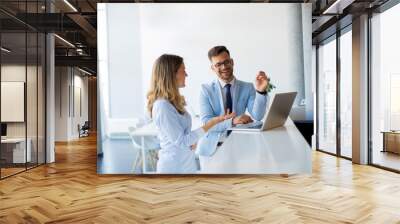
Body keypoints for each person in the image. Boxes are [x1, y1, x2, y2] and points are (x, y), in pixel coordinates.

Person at [147, 54, 235, 174]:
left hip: (186, 165)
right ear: (172, 75)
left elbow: (182, 138)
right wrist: (213, 122)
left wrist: (193, 142)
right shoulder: (162, 106)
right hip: (173, 169)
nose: (186, 74)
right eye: (183, 71)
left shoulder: (172, 102)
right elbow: (182, 141)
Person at [196, 46, 270, 166]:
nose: (224, 67)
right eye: (218, 64)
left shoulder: (247, 87)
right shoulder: (206, 90)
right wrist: (233, 121)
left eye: (226, 62)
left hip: (240, 147)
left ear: (232, 62)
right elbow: (206, 124)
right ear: (212, 68)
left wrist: (261, 92)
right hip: (212, 150)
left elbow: (258, 115)